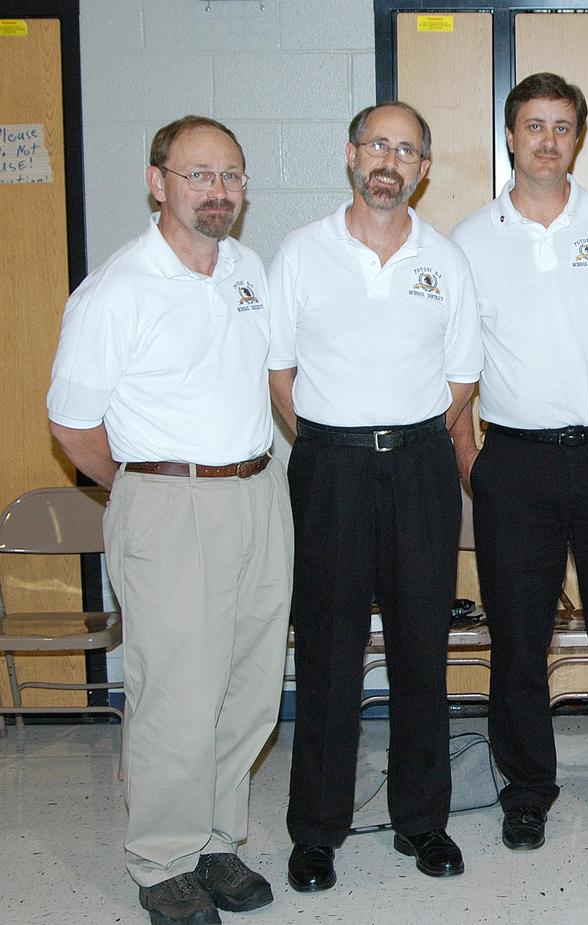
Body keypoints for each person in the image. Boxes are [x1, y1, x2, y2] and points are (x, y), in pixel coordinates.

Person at [47, 116, 290, 925]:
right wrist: (147, 486)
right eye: (199, 175)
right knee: (177, 697)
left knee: (250, 688)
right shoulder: (117, 290)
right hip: (168, 503)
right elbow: (74, 428)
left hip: (257, 494)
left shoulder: (247, 268)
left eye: (232, 175)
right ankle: (162, 860)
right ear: (158, 182)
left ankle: (217, 840)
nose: (219, 191)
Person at [449, 73, 588, 851]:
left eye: (563, 126)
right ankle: (527, 790)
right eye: (534, 125)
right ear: (510, 137)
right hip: (515, 462)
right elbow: (455, 366)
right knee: (517, 638)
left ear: (579, 138)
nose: (548, 139)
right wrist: (471, 456)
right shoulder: (468, 241)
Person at [268, 102, 482, 892]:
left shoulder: (446, 261)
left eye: (409, 150)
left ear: (424, 168)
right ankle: (316, 831)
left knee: (423, 648)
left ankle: (422, 821)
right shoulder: (298, 254)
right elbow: (280, 376)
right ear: (351, 156)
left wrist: (402, 439)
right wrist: (338, 441)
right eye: (379, 146)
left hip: (422, 464)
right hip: (330, 469)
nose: (391, 161)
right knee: (328, 653)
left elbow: (463, 378)